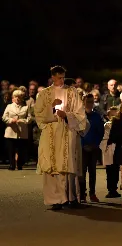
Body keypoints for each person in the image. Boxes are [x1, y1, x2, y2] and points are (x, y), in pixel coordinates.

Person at [34, 66, 87, 210]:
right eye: (58, 78)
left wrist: (67, 116)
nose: (61, 80)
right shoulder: (44, 94)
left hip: (67, 133)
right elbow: (38, 115)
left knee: (66, 166)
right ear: (52, 77)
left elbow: (80, 114)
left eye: (63, 77)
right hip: (50, 134)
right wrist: (51, 108)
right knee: (51, 167)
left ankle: (68, 198)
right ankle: (54, 200)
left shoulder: (72, 92)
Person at [79, 94, 104, 203]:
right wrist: (83, 144)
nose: (89, 104)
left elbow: (100, 132)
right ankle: (82, 193)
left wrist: (95, 144)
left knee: (92, 171)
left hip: (93, 147)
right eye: (87, 101)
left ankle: (92, 193)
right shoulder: (79, 116)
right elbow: (78, 132)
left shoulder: (96, 116)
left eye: (91, 101)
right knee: (82, 171)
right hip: (82, 147)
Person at [99, 107, 121, 198]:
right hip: (109, 149)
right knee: (110, 171)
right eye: (111, 115)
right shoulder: (106, 125)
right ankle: (111, 189)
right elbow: (103, 138)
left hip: (116, 149)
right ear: (108, 116)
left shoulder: (118, 125)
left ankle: (114, 188)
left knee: (115, 170)